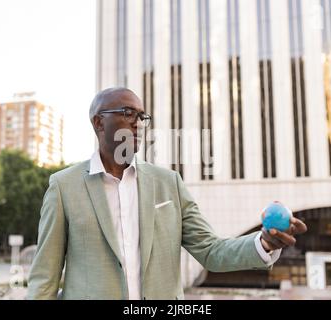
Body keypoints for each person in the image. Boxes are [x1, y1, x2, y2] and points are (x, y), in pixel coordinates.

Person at [26, 87, 307, 300]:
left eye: (141, 116)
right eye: (127, 114)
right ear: (99, 123)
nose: (137, 122)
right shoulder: (63, 187)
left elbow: (211, 251)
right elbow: (44, 279)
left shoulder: (169, 183)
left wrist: (265, 243)